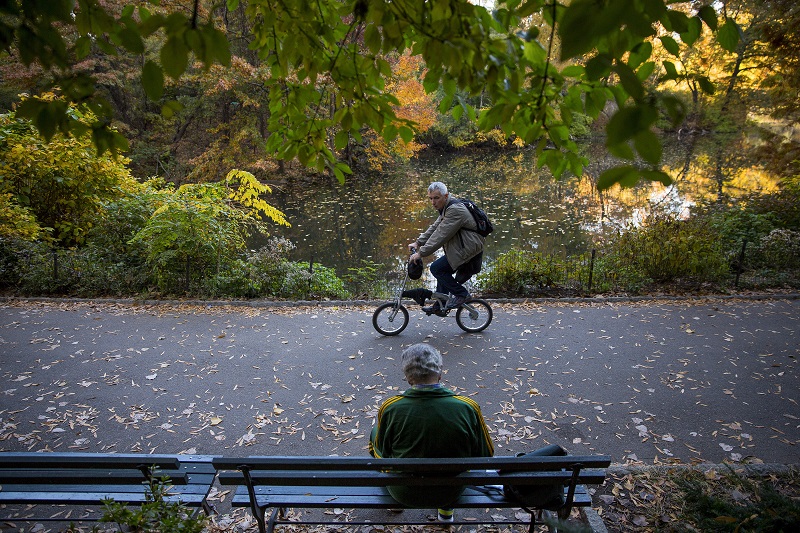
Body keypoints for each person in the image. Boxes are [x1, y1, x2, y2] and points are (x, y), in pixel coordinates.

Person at [369, 343, 494, 522]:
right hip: (451, 491)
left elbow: (382, 455)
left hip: (404, 492)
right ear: (440, 372)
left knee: (376, 433)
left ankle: (395, 505)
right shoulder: (467, 407)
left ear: (407, 376)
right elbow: (485, 454)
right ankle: (445, 513)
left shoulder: (391, 408)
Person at [408, 181, 484, 313]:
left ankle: (462, 294)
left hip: (468, 247)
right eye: (430, 198)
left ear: (445, 196)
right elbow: (435, 227)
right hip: (461, 245)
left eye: (436, 198)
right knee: (442, 269)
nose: (433, 202)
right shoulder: (447, 207)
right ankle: (440, 306)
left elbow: (441, 235)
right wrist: (418, 242)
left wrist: (421, 253)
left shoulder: (455, 210)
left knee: (437, 268)